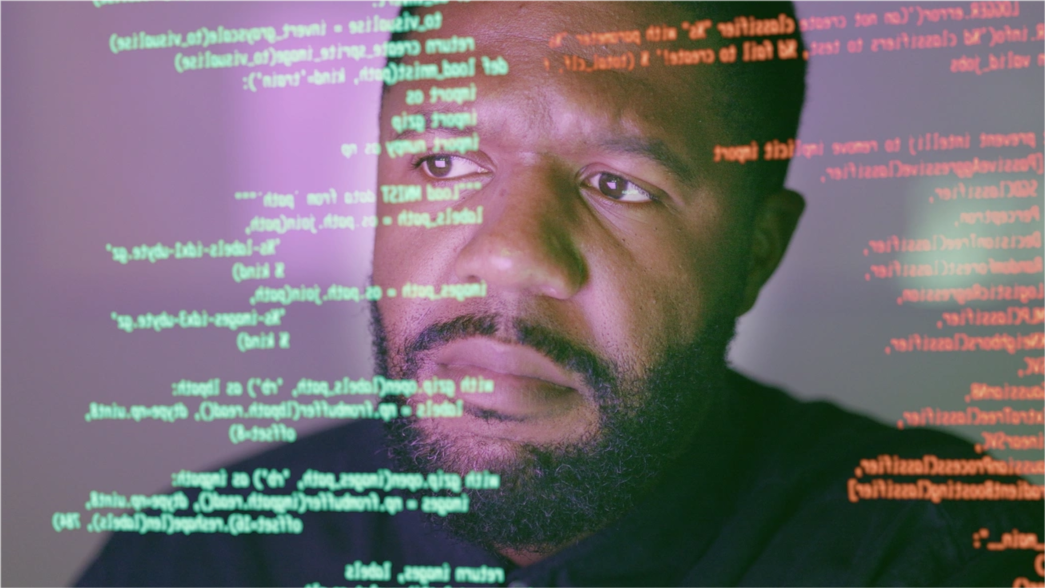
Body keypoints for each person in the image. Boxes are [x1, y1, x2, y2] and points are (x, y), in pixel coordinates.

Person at [74, 0, 1043, 586]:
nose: (509, 255)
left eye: (619, 185)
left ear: (757, 256)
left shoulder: (940, 552)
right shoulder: (201, 558)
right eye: (444, 158)